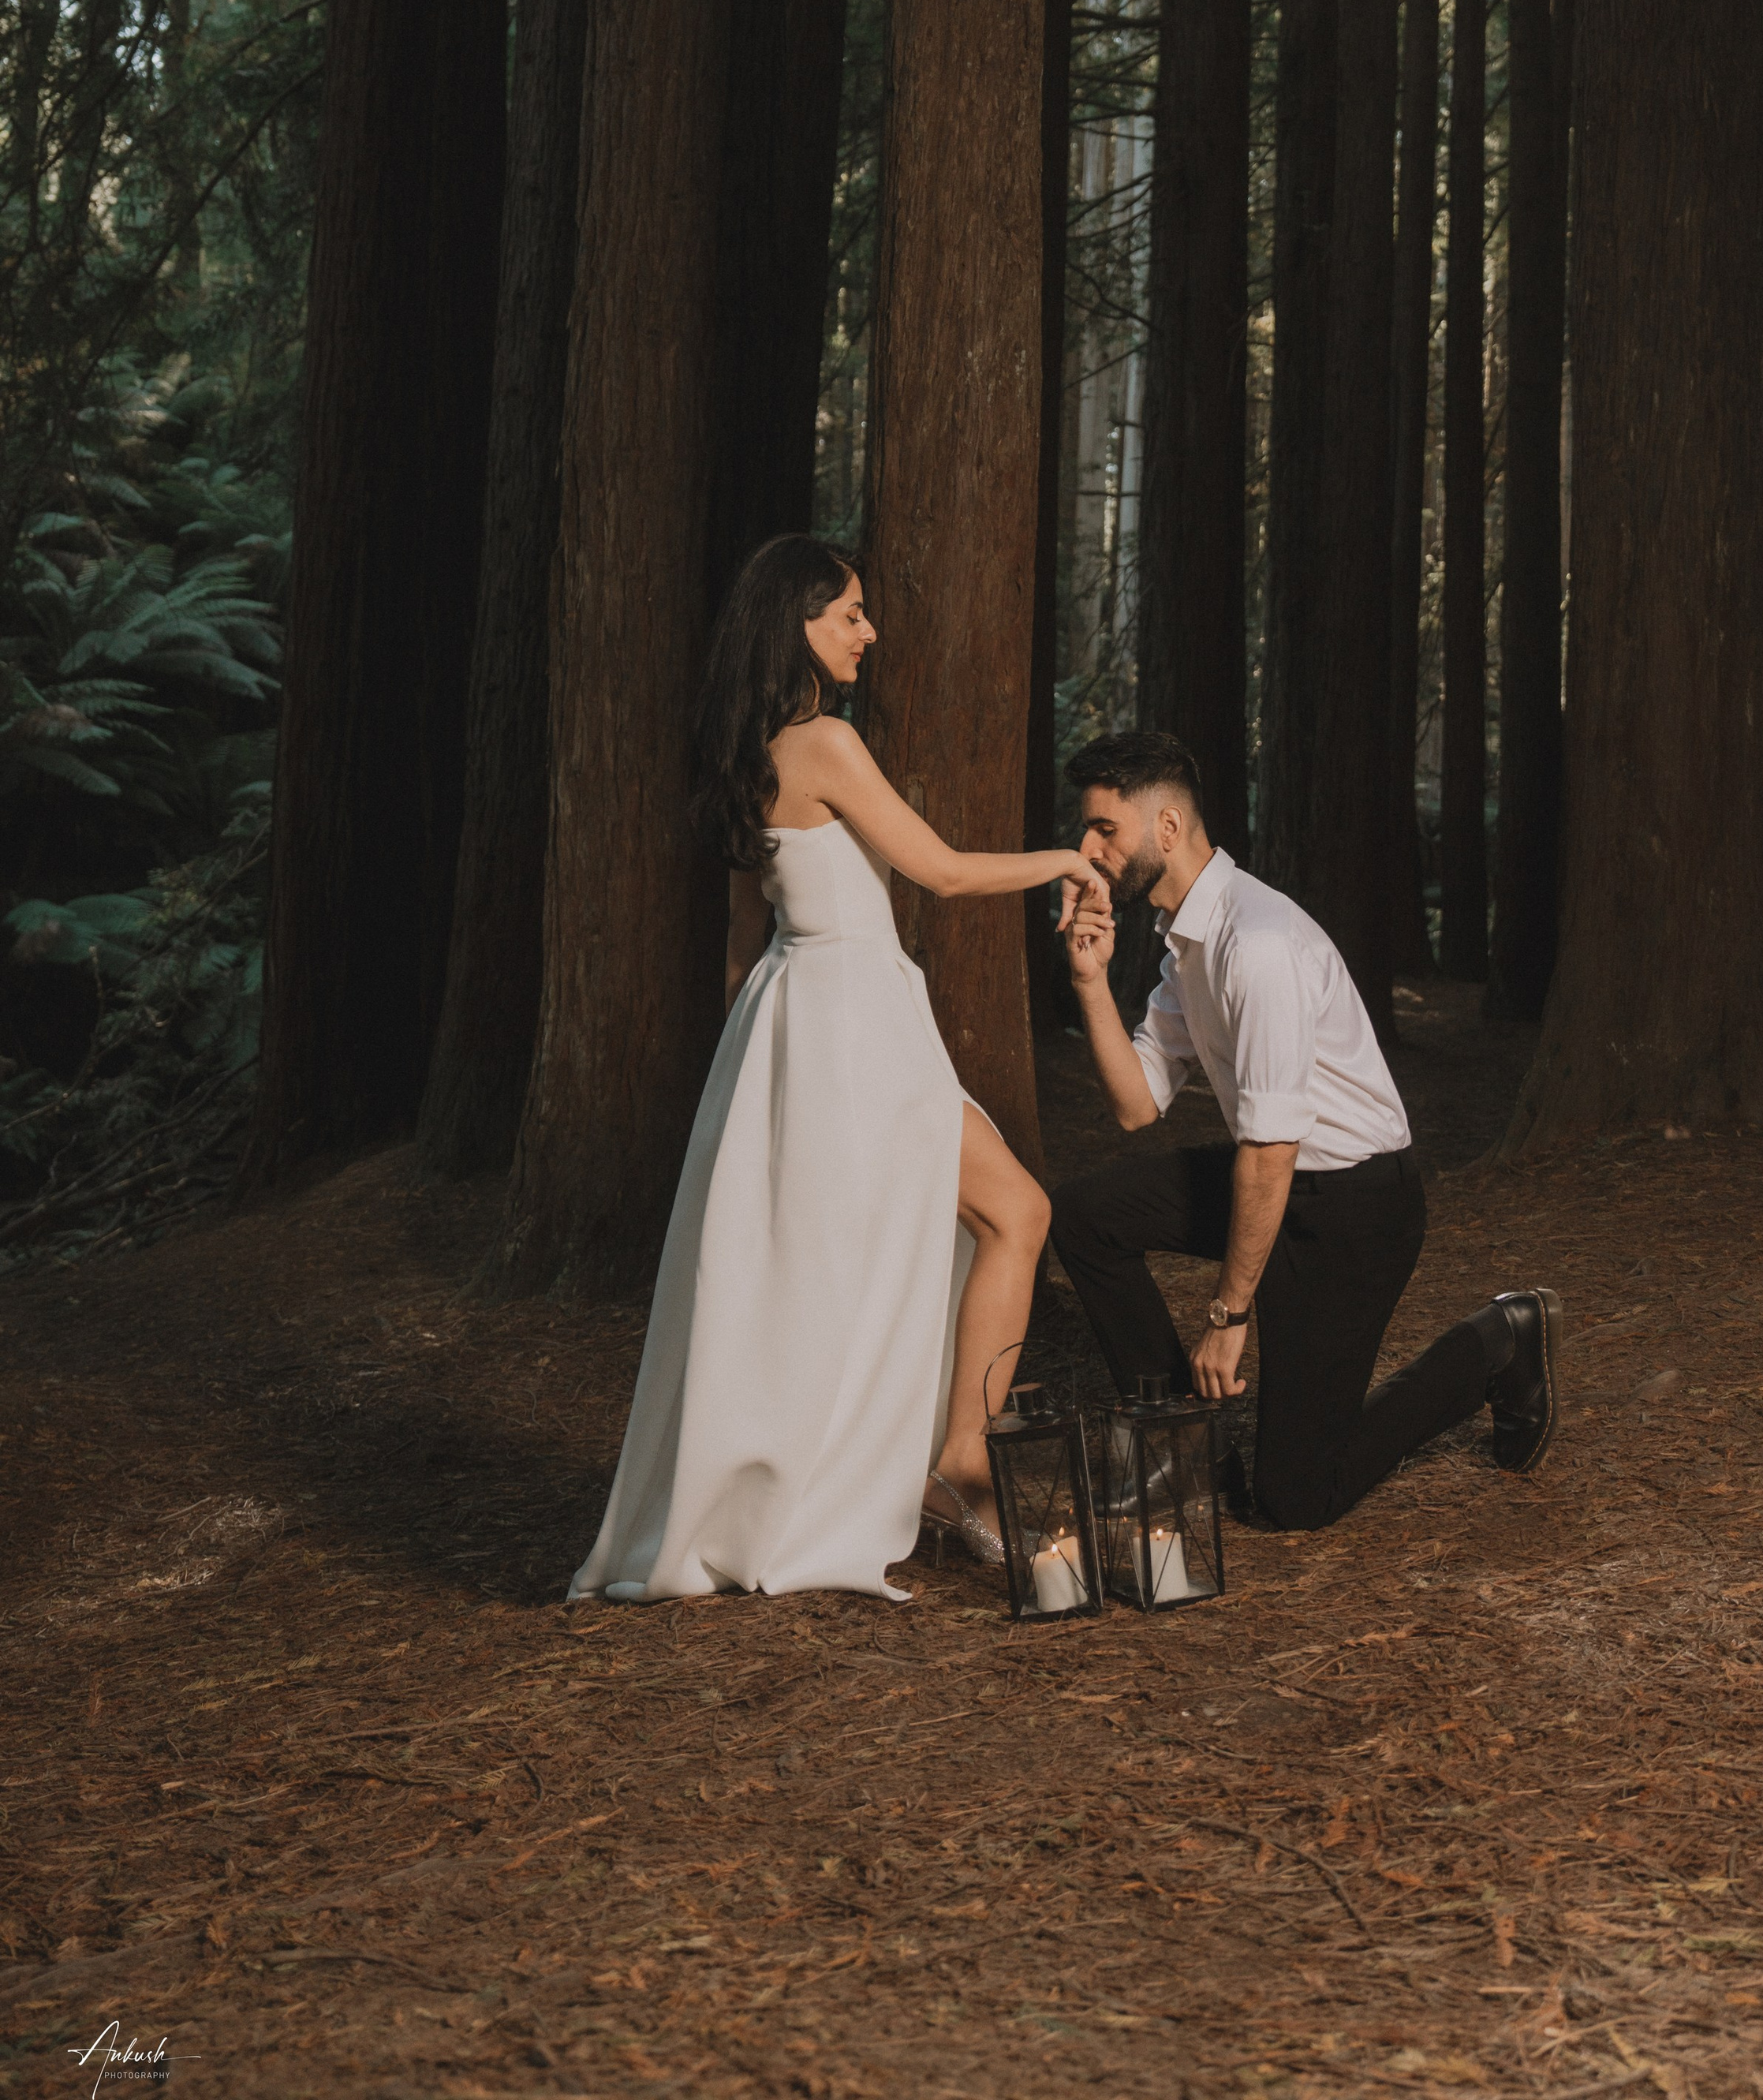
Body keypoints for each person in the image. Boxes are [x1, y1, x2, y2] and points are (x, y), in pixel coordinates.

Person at [567, 536, 1107, 1605]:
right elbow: (943, 874)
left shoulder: (748, 746)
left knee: (951, 1230)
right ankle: (958, 1466)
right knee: (1015, 1213)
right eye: (850, 613)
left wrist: (750, 1085)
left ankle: (931, 1464)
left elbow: (741, 933)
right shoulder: (823, 741)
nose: (870, 630)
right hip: (853, 1021)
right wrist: (1067, 858)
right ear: (797, 625)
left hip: (802, 1018)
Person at [1049, 731, 1559, 1533]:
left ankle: (1495, 1343)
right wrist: (1087, 982)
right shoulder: (1188, 938)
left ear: (1169, 829)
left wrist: (1228, 1316)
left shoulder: (1257, 943)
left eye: (1104, 830)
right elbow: (1136, 1103)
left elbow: (1271, 1154)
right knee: (1082, 1215)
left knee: (1294, 1499)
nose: (1085, 850)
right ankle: (1176, 1446)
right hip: (1281, 1183)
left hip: (1352, 1209)